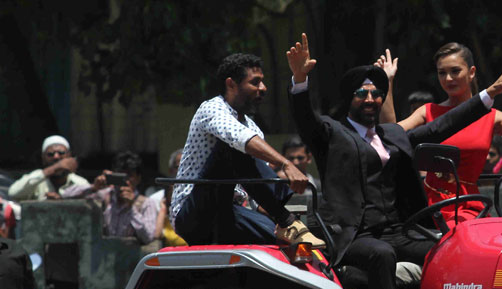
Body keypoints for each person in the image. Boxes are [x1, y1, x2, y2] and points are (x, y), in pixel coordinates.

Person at [286, 33, 502, 289]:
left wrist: (491, 93)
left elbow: (445, 124)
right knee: (382, 255)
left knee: (444, 250)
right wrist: (299, 79)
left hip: (398, 228)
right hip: (355, 235)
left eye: (375, 93)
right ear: (349, 99)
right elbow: (304, 117)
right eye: (362, 93)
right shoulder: (332, 134)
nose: (370, 98)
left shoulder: (392, 134)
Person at [375, 43, 502, 224]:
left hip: (470, 208)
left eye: (455, 71)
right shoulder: (427, 111)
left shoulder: (492, 116)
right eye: (442, 73)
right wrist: (387, 82)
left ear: (471, 72)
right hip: (429, 208)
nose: (448, 78)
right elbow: (391, 135)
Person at [171, 53, 320, 247]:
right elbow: (239, 138)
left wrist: (273, 218)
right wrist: (286, 164)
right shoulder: (211, 109)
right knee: (233, 146)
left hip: (231, 210)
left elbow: (257, 188)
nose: (263, 88)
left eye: (263, 82)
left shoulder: (253, 128)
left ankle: (289, 224)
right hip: (193, 212)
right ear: (231, 84)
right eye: (255, 82)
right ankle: (287, 221)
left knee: (287, 243)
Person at [62, 151, 160, 243]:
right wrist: (93, 187)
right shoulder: (104, 195)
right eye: (120, 175)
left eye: (129, 176)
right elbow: (65, 195)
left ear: (138, 178)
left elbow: (148, 237)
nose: (125, 181)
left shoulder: (147, 203)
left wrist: (132, 209)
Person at [8, 136, 89, 201]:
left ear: (69, 156)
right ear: (43, 158)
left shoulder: (80, 182)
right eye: (50, 154)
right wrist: (54, 168)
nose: (56, 157)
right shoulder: (36, 179)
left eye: (61, 153)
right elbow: (13, 193)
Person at [149, 149, 186, 246]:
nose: (184, 171)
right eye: (179, 167)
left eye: (187, 165)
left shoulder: (197, 198)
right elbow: (155, 236)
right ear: (170, 171)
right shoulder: (155, 200)